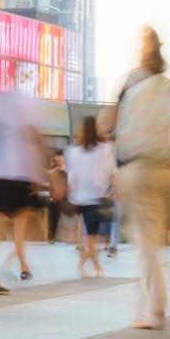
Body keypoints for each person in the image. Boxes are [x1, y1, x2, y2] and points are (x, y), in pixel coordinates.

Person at [112, 28, 170, 329]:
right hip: (167, 169)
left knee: (145, 243)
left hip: (140, 168)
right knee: (151, 241)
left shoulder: (132, 85)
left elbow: (117, 128)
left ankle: (156, 312)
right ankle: (143, 308)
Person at [0, 89, 47, 295]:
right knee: (20, 224)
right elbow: (35, 141)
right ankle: (18, 265)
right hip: (18, 175)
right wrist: (37, 176)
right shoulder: (25, 105)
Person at [65, 115, 116, 278]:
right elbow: (112, 172)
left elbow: (71, 176)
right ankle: (87, 267)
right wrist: (114, 189)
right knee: (95, 239)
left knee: (92, 238)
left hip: (79, 199)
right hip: (97, 199)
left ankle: (95, 268)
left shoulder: (73, 152)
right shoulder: (105, 149)